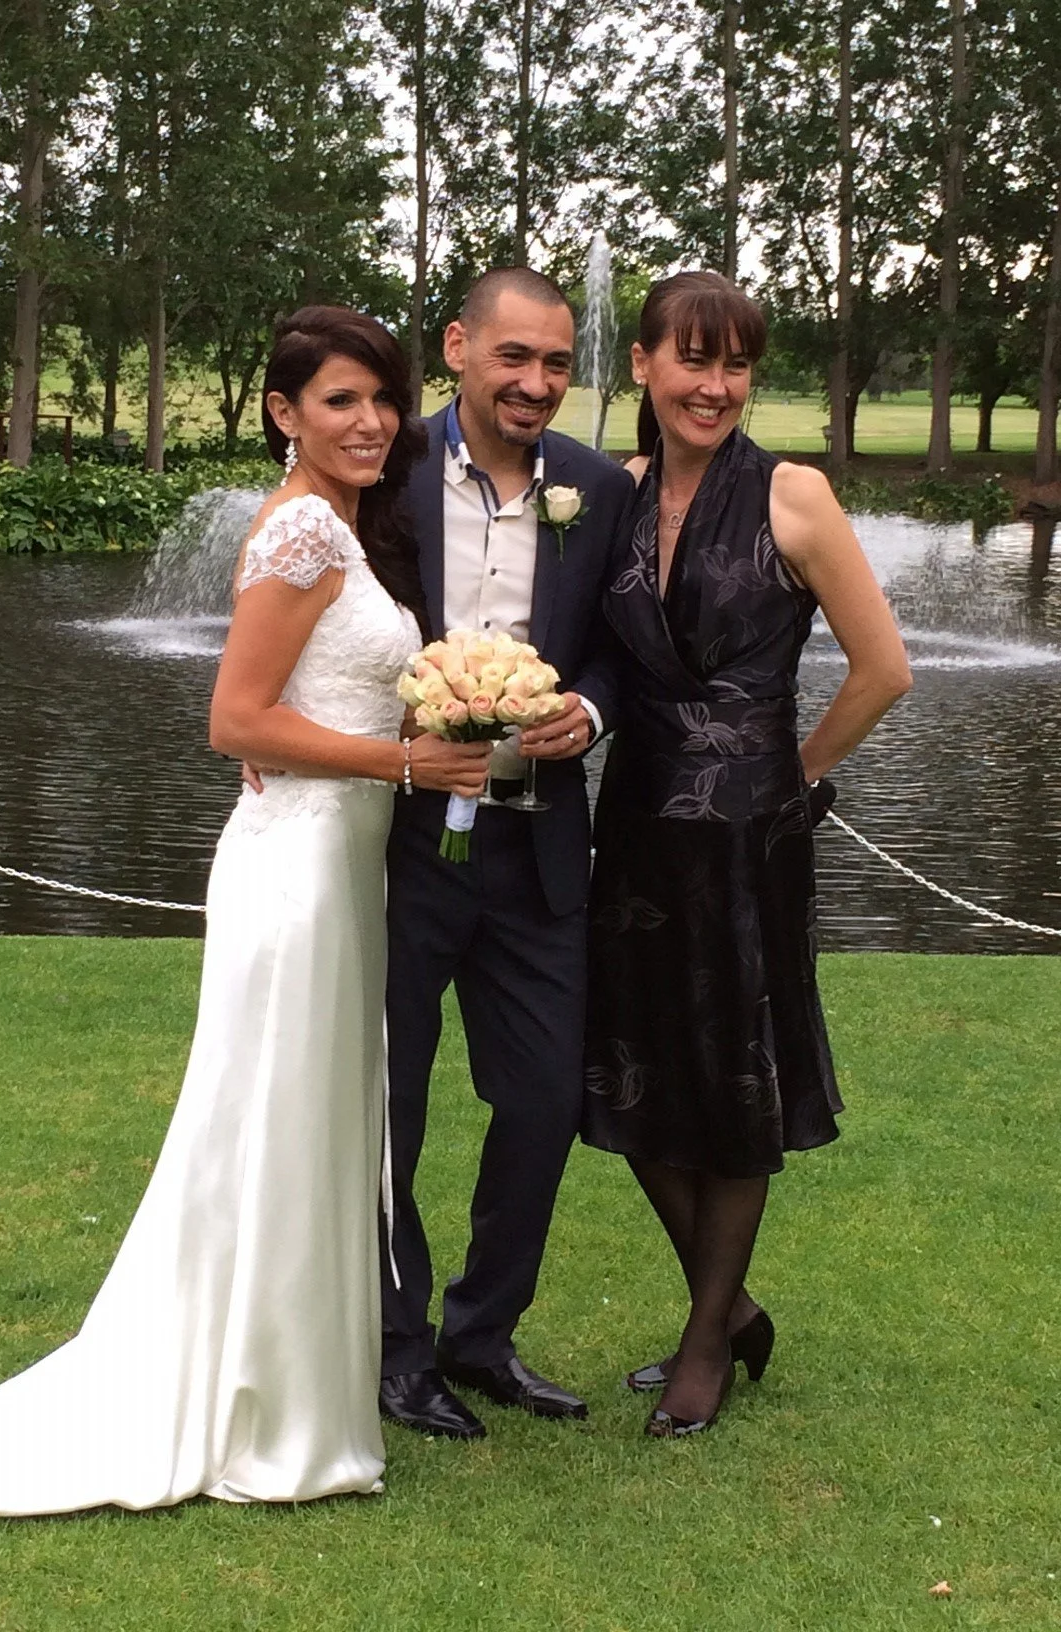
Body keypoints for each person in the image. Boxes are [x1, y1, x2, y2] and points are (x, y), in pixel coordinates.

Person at [0, 307, 489, 1523]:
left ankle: (293, 1394)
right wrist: (406, 766)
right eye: (339, 400)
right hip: (295, 873)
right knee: (273, 1122)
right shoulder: (300, 526)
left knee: (296, 1126)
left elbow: (312, 698)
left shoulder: (346, 527)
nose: (369, 421)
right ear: (285, 413)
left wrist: (443, 720)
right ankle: (271, 1421)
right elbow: (235, 721)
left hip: (341, 870)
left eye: (382, 399)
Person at [582, 271, 912, 1438]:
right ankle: (735, 1308)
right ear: (643, 365)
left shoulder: (793, 495)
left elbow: (884, 670)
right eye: (692, 360)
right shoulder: (609, 495)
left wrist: (792, 775)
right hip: (628, 828)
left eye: (735, 366)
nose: (714, 387)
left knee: (731, 1071)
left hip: (744, 842)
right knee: (623, 1063)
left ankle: (704, 1342)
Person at [379, 268, 637, 1440]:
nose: (536, 384)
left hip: (541, 852)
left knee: (538, 1103)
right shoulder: (386, 467)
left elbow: (621, 650)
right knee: (389, 1107)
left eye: (556, 363)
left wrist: (588, 710)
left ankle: (483, 1335)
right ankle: (394, 1345)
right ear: (458, 349)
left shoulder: (595, 488)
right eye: (514, 358)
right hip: (393, 848)